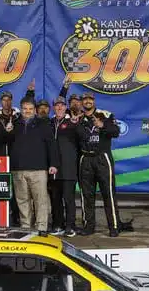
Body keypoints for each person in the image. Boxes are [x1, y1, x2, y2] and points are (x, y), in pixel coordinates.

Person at [0, 96, 59, 234]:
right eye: (25, 109)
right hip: (18, 170)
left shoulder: (43, 124)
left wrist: (54, 164)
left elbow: (52, 146)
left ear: (35, 110)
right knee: (22, 201)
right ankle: (26, 228)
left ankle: (41, 229)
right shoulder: (14, 123)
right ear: (20, 109)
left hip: (38, 169)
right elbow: (2, 140)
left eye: (30, 109)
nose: (27, 111)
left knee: (41, 200)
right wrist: (3, 131)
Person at [75, 91, 120, 237]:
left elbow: (116, 131)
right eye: (85, 99)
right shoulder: (79, 119)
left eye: (90, 99)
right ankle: (89, 226)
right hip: (85, 158)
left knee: (108, 193)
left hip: (102, 158)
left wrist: (102, 126)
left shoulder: (105, 115)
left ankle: (113, 226)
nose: (87, 101)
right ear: (82, 102)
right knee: (86, 195)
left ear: (94, 101)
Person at [0, 90, 21, 225]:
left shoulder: (18, 117)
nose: (6, 102)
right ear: (0, 102)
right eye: (4, 100)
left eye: (8, 100)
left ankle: (16, 219)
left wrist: (11, 133)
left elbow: (19, 138)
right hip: (0, 160)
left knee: (17, 191)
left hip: (15, 160)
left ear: (11, 101)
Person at [49, 96, 79, 237]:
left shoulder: (72, 122)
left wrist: (76, 124)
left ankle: (70, 226)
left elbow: (82, 138)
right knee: (55, 199)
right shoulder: (50, 122)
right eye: (57, 105)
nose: (59, 107)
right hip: (53, 169)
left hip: (68, 168)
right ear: (53, 107)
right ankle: (57, 225)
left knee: (69, 199)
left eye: (62, 105)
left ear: (65, 107)